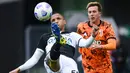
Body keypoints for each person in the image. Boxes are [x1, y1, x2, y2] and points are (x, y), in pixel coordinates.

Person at [9, 13, 98, 73]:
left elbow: (86, 44)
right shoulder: (45, 37)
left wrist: (93, 35)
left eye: (58, 18)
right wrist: (19, 69)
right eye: (53, 20)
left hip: (69, 62)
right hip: (52, 61)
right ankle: (57, 44)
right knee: (52, 58)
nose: (56, 21)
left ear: (64, 21)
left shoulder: (72, 35)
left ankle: (57, 43)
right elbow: (34, 59)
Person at [77, 2, 117, 73]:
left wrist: (100, 46)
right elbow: (80, 47)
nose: (92, 14)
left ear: (99, 14)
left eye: (94, 11)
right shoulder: (81, 27)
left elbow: (113, 45)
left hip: (104, 69)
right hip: (88, 69)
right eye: (89, 12)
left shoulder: (106, 26)